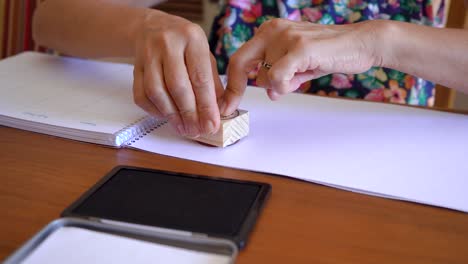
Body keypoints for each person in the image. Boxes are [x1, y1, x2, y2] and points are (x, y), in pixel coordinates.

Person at [32, 0, 468, 137]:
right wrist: (142, 25)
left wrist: (382, 40)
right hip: (212, 173)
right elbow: (49, 19)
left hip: (389, 162)